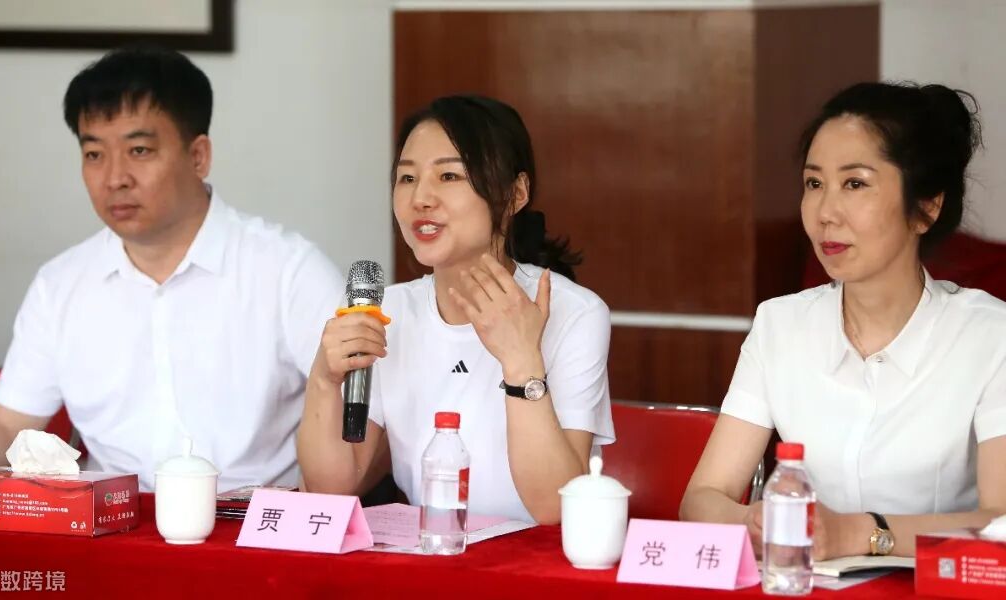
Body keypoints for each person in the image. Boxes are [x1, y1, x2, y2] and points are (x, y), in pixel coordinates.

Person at [0, 46, 343, 492]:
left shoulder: (288, 272)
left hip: (253, 521)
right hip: (112, 521)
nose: (114, 177)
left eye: (139, 150)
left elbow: (363, 424)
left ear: (198, 156)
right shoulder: (60, 285)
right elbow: (4, 426)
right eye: (94, 154)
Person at [681, 82, 1006, 558]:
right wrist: (750, 520)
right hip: (804, 583)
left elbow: (1000, 519)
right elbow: (703, 497)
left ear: (926, 207)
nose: (825, 213)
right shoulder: (780, 325)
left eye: (855, 184)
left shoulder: (990, 335)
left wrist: (859, 534)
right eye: (814, 184)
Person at [297, 95, 615, 524]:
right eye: (407, 178)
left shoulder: (574, 313)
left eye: (449, 175)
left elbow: (555, 508)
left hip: (528, 558)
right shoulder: (385, 311)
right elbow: (328, 490)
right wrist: (323, 378)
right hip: (428, 550)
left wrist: (521, 363)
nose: (421, 198)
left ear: (515, 193)